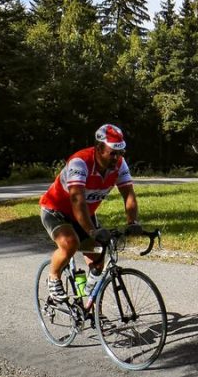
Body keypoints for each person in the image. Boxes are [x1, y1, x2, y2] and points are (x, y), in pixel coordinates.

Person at [39, 124, 143, 303]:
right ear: (99, 148)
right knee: (70, 243)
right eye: (113, 153)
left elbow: (128, 194)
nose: (117, 157)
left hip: (85, 215)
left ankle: (89, 305)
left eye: (121, 152)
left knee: (99, 257)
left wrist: (132, 222)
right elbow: (77, 200)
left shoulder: (119, 164)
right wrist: (93, 231)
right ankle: (54, 277)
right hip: (56, 211)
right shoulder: (80, 162)